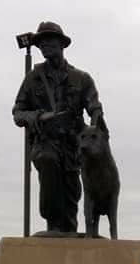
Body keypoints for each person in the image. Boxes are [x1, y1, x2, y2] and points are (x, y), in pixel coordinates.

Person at [13, 21, 107, 234]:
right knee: (48, 162)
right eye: (41, 42)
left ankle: (68, 230)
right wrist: (38, 116)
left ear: (61, 44)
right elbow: (18, 112)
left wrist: (95, 129)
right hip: (45, 141)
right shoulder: (33, 79)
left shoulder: (81, 78)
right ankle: (53, 225)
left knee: (71, 189)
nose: (45, 45)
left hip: (73, 143)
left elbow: (94, 107)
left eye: (49, 40)